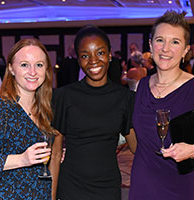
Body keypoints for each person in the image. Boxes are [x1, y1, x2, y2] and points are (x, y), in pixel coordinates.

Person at [129, 10, 194, 200]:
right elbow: (133, 134)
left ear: (186, 51)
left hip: (182, 186)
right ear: (150, 45)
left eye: (175, 42)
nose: (165, 48)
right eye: (160, 40)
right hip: (143, 183)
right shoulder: (142, 86)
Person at [0, 38, 60, 199]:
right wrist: (21, 159)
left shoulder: (46, 106)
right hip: (8, 195)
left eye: (39, 65)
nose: (33, 72)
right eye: (24, 65)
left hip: (40, 193)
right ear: (11, 69)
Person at [52, 25, 137, 200]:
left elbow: (137, 148)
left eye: (100, 53)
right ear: (78, 59)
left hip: (108, 187)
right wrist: (51, 197)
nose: (93, 61)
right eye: (85, 55)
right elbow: (56, 153)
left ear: (110, 54)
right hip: (71, 187)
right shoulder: (63, 96)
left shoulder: (126, 98)